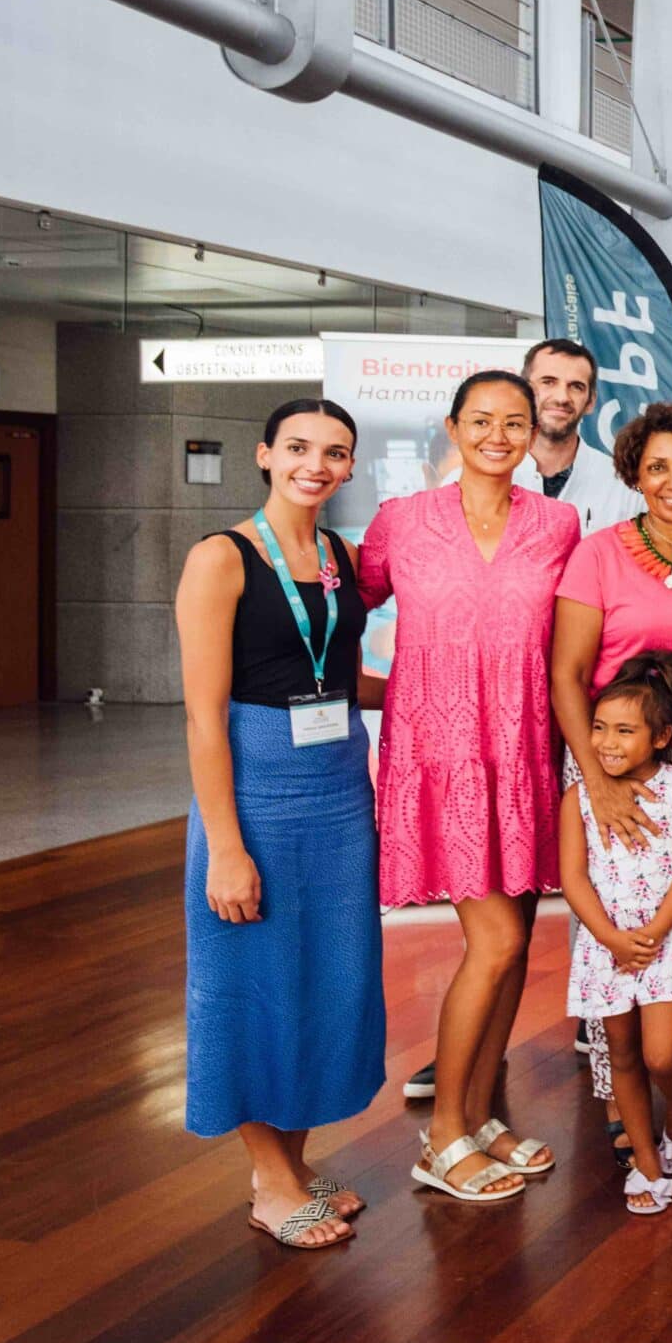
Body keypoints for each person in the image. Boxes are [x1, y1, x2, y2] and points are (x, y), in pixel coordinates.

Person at [363, 371, 582, 1203]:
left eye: (514, 421)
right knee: (491, 945)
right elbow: (354, 603)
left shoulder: (556, 523)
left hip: (527, 750)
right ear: (452, 429)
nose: (498, 434)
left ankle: (484, 1116)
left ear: (534, 432)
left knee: (518, 947)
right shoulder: (401, 523)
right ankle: (443, 1134)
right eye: (481, 420)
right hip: (441, 756)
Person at [176, 399, 383, 1249]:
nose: (317, 465)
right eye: (299, 448)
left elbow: (336, 673)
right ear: (265, 454)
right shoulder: (219, 558)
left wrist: (441, 693)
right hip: (256, 789)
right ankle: (267, 1180)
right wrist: (226, 845)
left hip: (337, 787)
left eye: (335, 452)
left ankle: (293, 1165)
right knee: (255, 979)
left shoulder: (336, 556)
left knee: (326, 976)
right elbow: (202, 716)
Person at [552, 401, 672, 1159]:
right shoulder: (599, 553)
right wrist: (596, 784)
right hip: (611, 762)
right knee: (606, 923)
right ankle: (617, 1090)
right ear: (635, 471)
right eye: (658, 466)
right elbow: (567, 675)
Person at [559, 651, 672, 1216]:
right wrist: (609, 938)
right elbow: (573, 877)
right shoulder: (579, 797)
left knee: (658, 1053)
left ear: (660, 737)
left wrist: (650, 934)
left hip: (664, 941)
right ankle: (647, 1165)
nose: (606, 742)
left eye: (624, 731)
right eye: (599, 728)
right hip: (608, 946)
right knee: (620, 1054)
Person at [511, 337, 639, 533]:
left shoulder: (624, 486)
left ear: (591, 402)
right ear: (524, 391)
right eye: (548, 382)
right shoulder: (477, 478)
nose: (562, 397)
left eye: (576, 387)